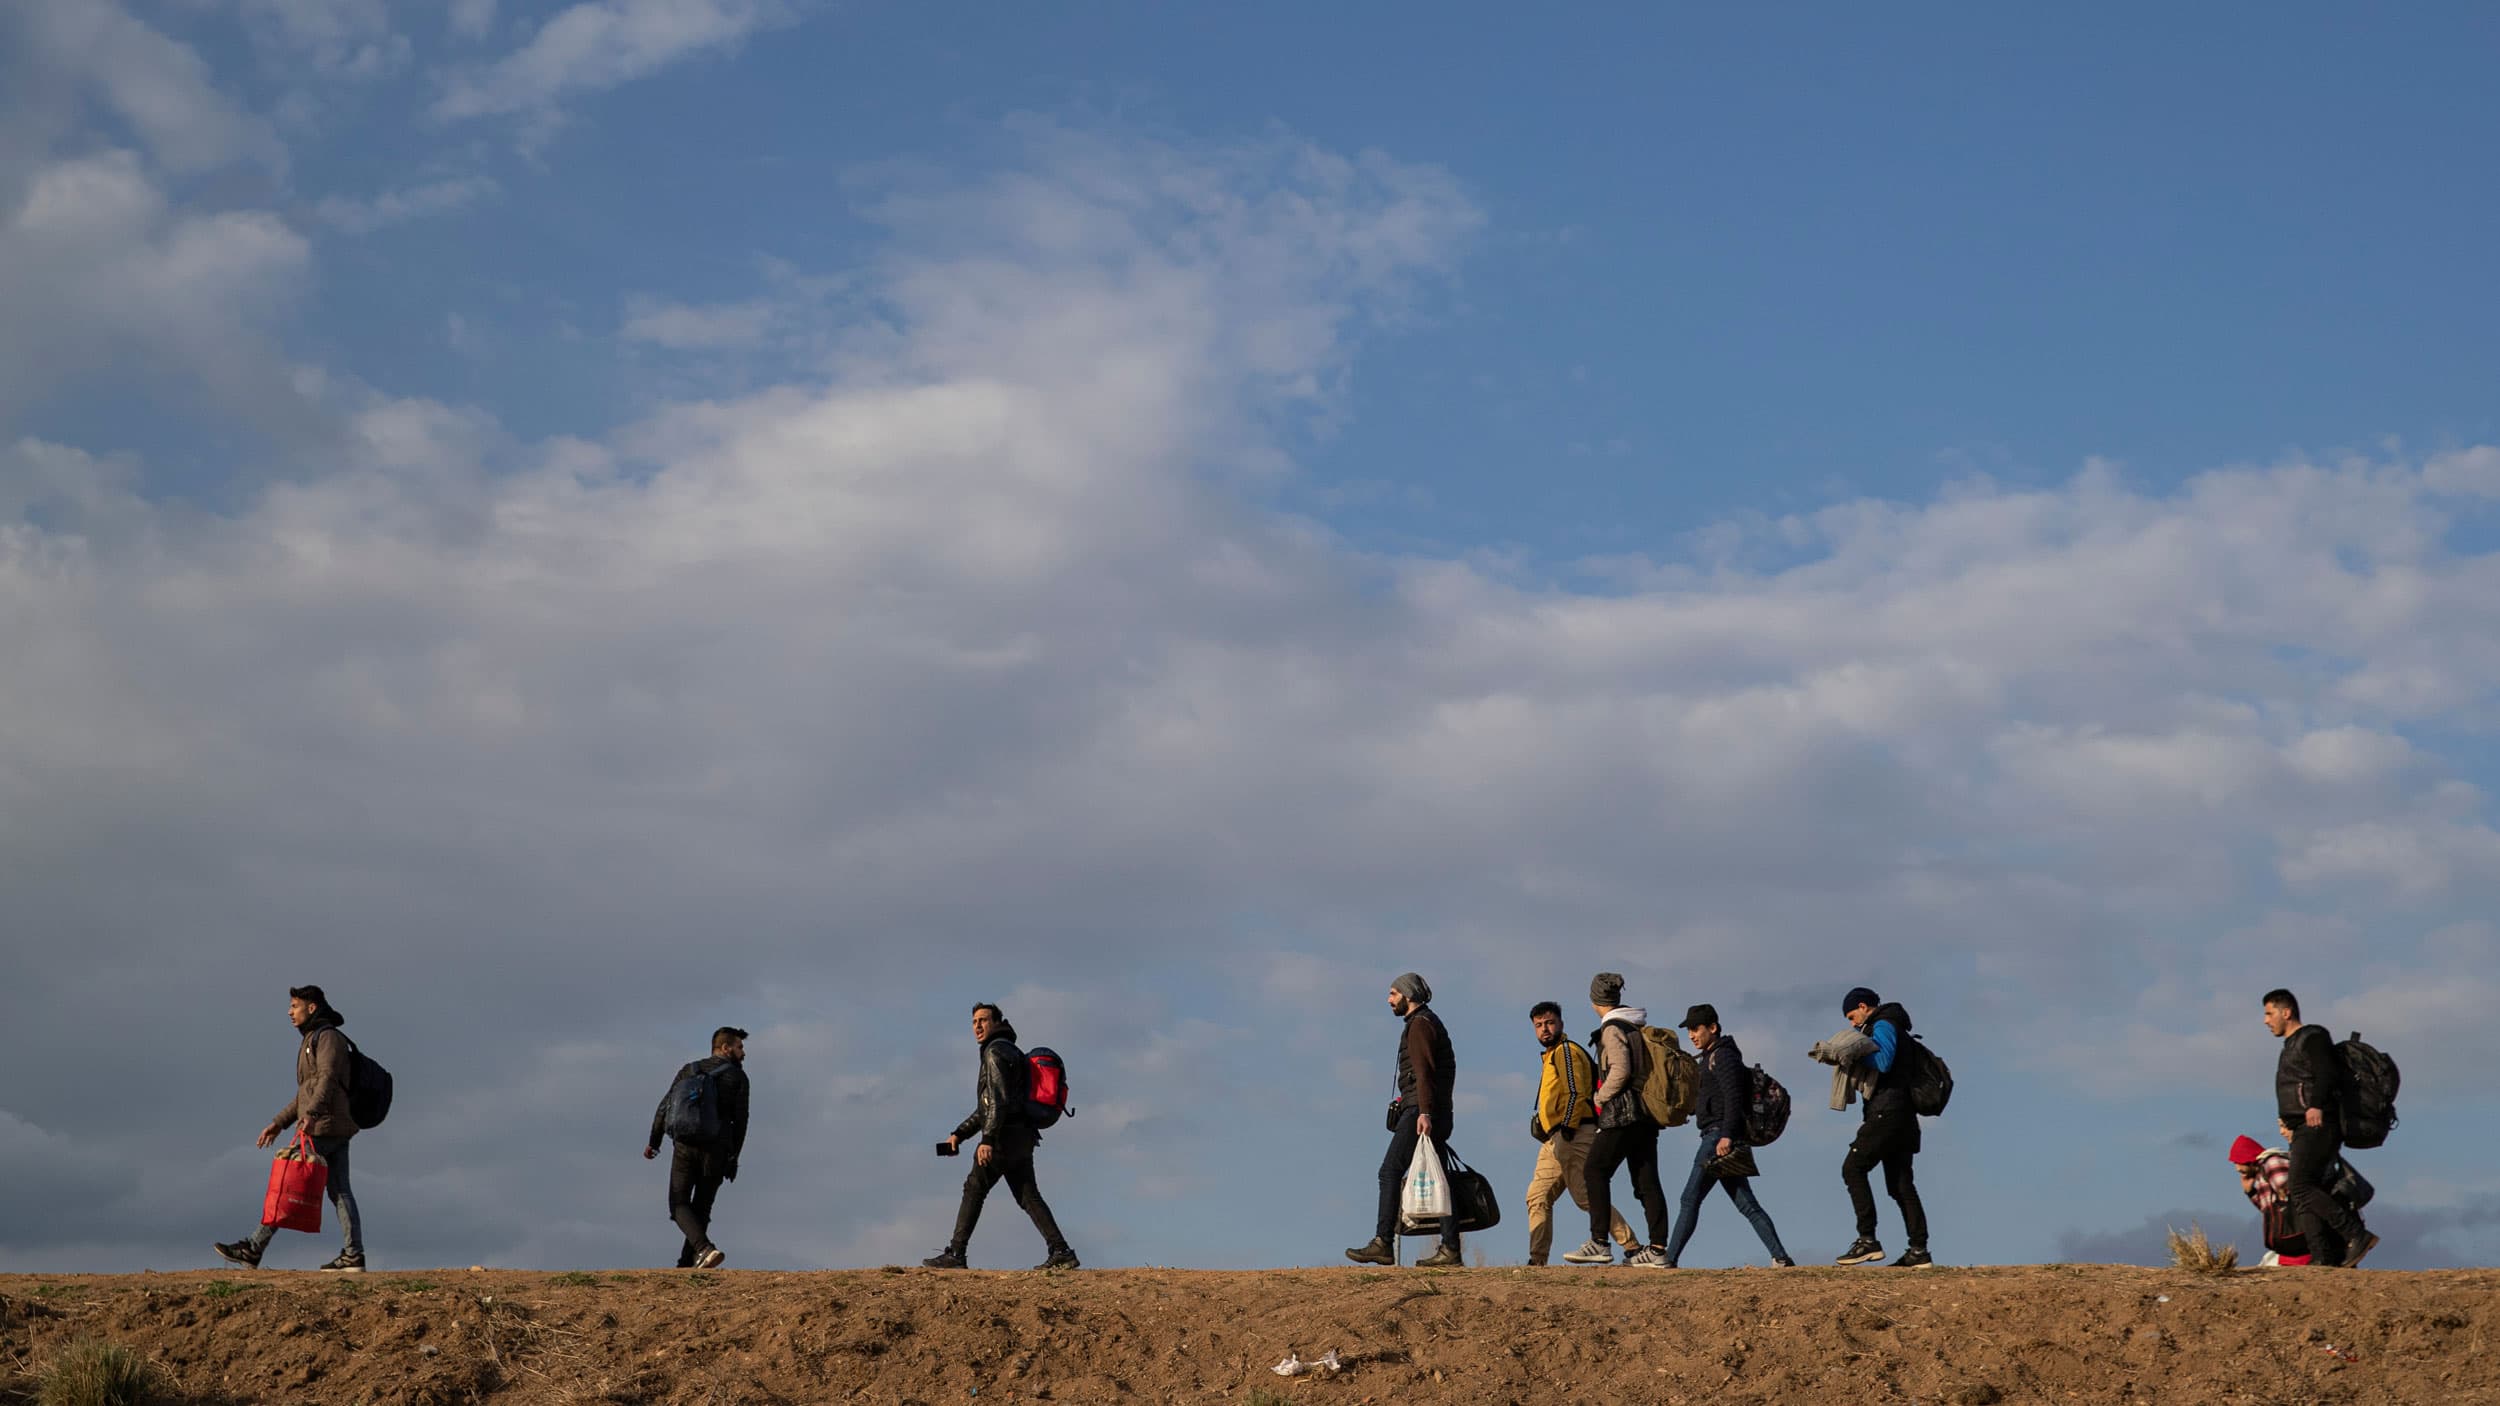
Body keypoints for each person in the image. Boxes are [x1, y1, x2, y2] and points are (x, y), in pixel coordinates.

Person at [213, 985, 367, 1272]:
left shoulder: (327, 1038)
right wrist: (279, 1123)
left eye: (295, 1006)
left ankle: (253, 1247)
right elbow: (305, 1093)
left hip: (323, 1125)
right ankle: (353, 1254)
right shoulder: (314, 1038)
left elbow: (327, 1080)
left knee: (286, 1180)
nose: (289, 1012)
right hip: (328, 1124)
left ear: (312, 1007)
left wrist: (311, 1115)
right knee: (339, 1191)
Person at [925, 1003, 1078, 1270]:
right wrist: (959, 1134)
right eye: (974, 1022)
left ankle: (956, 1253)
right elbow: (988, 1106)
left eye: (983, 1020)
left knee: (974, 1187)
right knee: (1028, 1195)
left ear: (997, 1022)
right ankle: (1061, 1250)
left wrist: (988, 1140)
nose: (978, 1026)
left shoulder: (994, 1052)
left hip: (1003, 1136)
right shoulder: (1011, 1051)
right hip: (1023, 1135)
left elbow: (997, 1101)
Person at [1662, 1005, 1794, 1268]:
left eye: (1696, 1029)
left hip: (1718, 1138)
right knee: (1747, 1204)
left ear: (1712, 1028)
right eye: (1689, 1030)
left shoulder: (1723, 1056)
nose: (1691, 1035)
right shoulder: (1710, 1057)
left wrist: (1726, 1137)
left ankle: (1668, 1259)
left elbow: (1734, 1099)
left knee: (1689, 1198)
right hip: (1719, 1135)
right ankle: (1781, 1257)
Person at [1346, 972, 1462, 1268]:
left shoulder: (1420, 1025)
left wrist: (1423, 1112)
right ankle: (1450, 1248)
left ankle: (1383, 1243)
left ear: (1408, 996)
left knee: (1389, 1171)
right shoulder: (1425, 1022)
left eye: (1393, 993)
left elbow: (1424, 1072)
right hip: (1432, 1110)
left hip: (1422, 1112)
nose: (1389, 1000)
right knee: (1440, 1176)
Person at [2264, 988, 2378, 1267]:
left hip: (2318, 1123)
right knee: (2302, 1190)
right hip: (2303, 1127)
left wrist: (2315, 1105)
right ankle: (2322, 1257)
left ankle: (2355, 1235)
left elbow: (2326, 1072)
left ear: (2286, 1012)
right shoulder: (2291, 1045)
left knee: (2300, 1185)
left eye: (2269, 1013)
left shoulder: (2313, 1036)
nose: (2266, 1020)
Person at [1563, 973, 1670, 1267]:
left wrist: (1600, 1098)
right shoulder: (1636, 1025)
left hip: (1623, 1114)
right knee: (1647, 1181)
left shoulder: (1612, 1028)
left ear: (1594, 1000)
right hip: (1646, 1115)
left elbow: (1621, 1070)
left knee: (1594, 1170)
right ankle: (1658, 1250)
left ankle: (1599, 1242)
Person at [1523, 1000, 1638, 1265]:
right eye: (1539, 1025)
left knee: (1586, 1196)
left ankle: (1632, 1246)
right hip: (1554, 1139)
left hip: (1572, 1134)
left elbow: (1576, 1092)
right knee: (1537, 1196)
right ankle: (1537, 1261)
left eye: (1549, 1023)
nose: (1545, 1029)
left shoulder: (1566, 1051)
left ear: (1561, 1024)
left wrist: (1567, 1127)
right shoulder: (1552, 1055)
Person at [1834, 986, 1931, 1268]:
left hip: (1886, 1112)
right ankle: (1919, 1251)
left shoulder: (1884, 1024)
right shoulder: (1895, 1025)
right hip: (1904, 1116)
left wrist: (1850, 1054)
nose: (1853, 1024)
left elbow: (1884, 1061)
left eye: (1852, 1017)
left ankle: (1867, 1240)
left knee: (1852, 1168)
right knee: (1900, 1184)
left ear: (1863, 1007)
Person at [643, 1026, 751, 1270]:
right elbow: (741, 1122)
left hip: (685, 1145)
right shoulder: (738, 1078)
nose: (743, 1053)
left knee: (679, 1204)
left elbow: (664, 1107)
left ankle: (695, 1257)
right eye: (740, 1047)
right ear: (726, 1048)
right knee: (701, 1207)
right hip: (717, 1150)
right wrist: (733, 1157)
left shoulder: (689, 1070)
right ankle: (697, 1255)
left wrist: (654, 1143)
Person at [2229, 1132, 2312, 1266]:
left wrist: (2282, 1194)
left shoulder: (2271, 1162)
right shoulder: (2261, 1174)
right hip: (2289, 1244)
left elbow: (2286, 1188)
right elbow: (2267, 1208)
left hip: (2296, 1234)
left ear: (2248, 1160)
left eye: (2237, 1162)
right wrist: (2250, 1192)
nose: (2237, 1168)